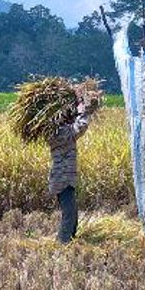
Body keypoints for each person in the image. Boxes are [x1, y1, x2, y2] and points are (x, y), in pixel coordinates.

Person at [47, 95, 91, 243]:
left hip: (66, 179)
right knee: (69, 214)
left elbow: (74, 126)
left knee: (73, 213)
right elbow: (80, 127)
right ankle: (63, 244)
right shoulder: (58, 133)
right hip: (62, 179)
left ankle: (70, 241)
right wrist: (83, 111)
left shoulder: (59, 130)